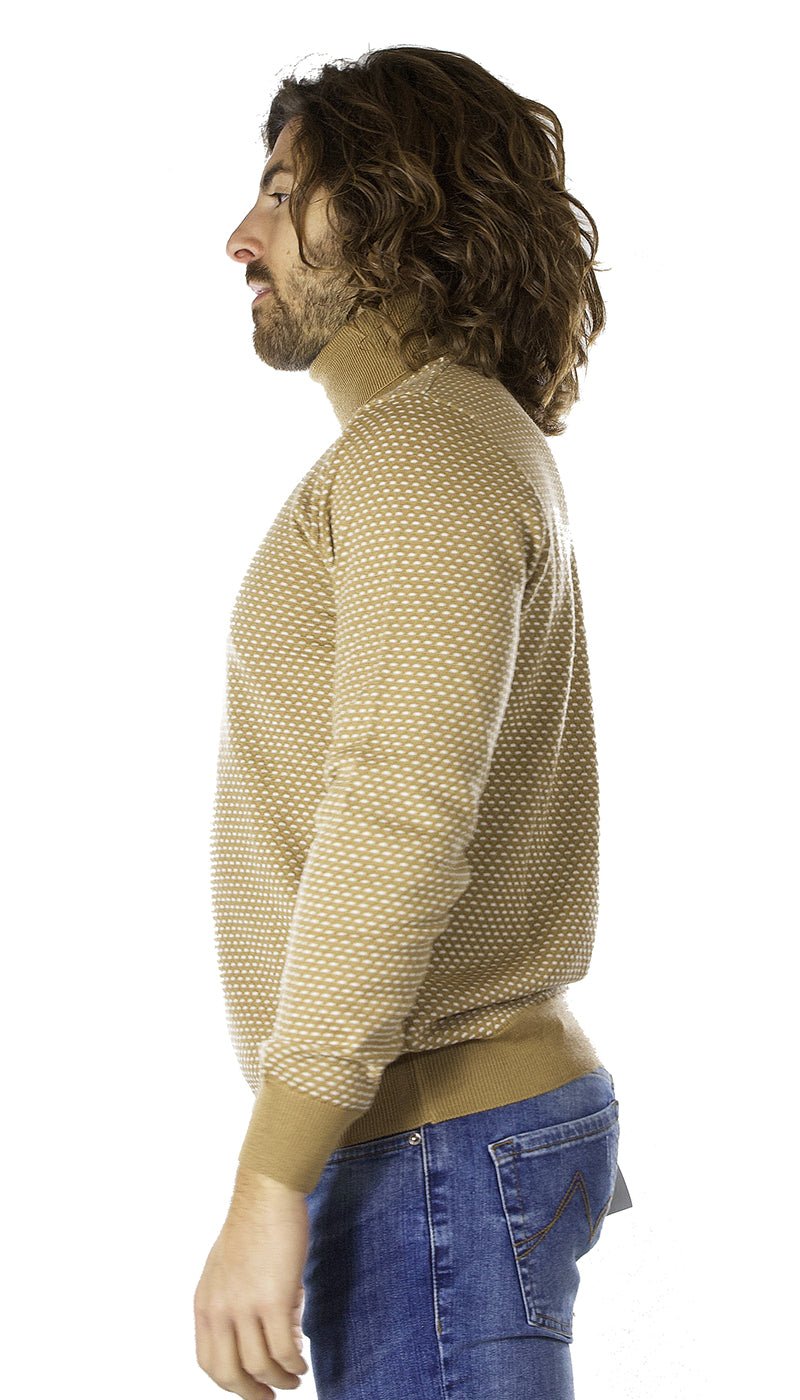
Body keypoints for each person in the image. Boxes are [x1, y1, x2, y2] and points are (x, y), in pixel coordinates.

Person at [193, 44, 630, 1400]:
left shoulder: (428, 456)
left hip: (436, 1142)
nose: (242, 238)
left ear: (396, 207)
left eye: (285, 194)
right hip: (435, 1140)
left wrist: (271, 1175)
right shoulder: (440, 446)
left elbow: (396, 817)